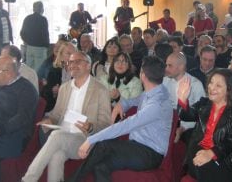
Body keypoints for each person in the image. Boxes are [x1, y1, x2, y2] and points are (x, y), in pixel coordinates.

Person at [68, 56, 173, 181]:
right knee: (100, 166)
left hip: (150, 153)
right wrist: (121, 104)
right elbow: (134, 100)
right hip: (137, 147)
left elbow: (126, 125)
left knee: (103, 145)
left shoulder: (157, 103)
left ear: (142, 75)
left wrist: (91, 140)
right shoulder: (154, 91)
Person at [22, 51, 111, 182]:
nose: (73, 65)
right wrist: (49, 120)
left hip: (84, 140)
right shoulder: (64, 88)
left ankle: (28, 179)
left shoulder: (101, 90)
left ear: (88, 65)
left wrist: (90, 127)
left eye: (78, 61)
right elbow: (57, 114)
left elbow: (106, 124)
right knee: (56, 155)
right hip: (63, 136)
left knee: (56, 136)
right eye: (70, 62)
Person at [177, 68, 232, 182]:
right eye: (211, 82)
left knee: (202, 167)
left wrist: (211, 153)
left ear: (229, 90)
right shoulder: (204, 103)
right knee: (196, 162)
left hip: (225, 157)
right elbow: (186, 116)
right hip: (199, 151)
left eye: (218, 85)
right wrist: (182, 100)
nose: (211, 87)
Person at [163, 52, 205, 142]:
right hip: (166, 122)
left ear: (181, 67)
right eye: (166, 65)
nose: (166, 68)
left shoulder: (195, 84)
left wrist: (182, 128)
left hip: (187, 127)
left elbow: (200, 114)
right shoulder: (165, 81)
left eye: (170, 66)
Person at [41, 41, 76, 112]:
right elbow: (45, 93)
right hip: (56, 107)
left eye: (74, 53)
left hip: (73, 107)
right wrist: (53, 92)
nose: (72, 56)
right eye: (68, 53)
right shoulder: (54, 71)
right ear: (61, 55)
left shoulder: (79, 71)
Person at [20, 1, 50, 72]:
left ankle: (28, 83)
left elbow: (22, 33)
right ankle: (36, 83)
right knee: (39, 70)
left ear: (33, 9)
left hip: (29, 47)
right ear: (41, 9)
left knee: (28, 69)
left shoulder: (27, 18)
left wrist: (27, 42)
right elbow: (45, 34)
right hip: (40, 48)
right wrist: (47, 45)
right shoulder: (43, 19)